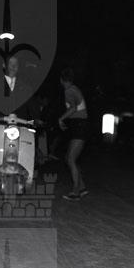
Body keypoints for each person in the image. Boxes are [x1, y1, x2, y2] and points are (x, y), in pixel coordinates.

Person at [0, 54, 40, 123]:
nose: (13, 66)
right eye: (10, 63)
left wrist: (37, 120)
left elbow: (34, 109)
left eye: (16, 64)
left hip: (20, 127)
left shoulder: (26, 88)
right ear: (4, 65)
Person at [58, 68, 89, 200]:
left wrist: (61, 119)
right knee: (69, 158)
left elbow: (73, 108)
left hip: (80, 126)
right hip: (79, 125)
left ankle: (76, 192)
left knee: (71, 159)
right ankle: (82, 187)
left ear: (62, 80)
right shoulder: (74, 89)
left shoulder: (69, 91)